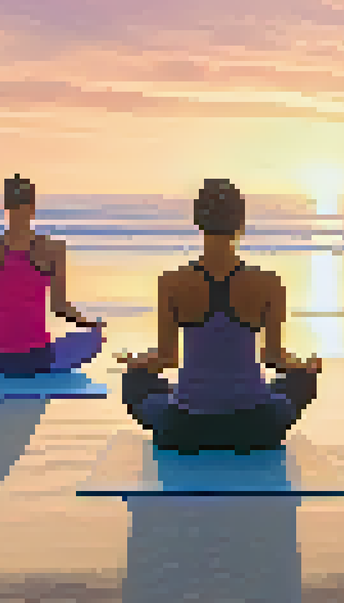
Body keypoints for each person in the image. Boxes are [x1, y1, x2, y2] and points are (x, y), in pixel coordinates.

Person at [120, 179, 322, 454]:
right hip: (256, 428)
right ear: (241, 221)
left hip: (184, 429)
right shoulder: (268, 282)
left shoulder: (171, 282)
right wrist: (305, 367)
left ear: (197, 219)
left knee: (134, 381)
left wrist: (137, 363)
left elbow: (167, 357)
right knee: (302, 380)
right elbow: (274, 357)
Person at [0, 175, 104, 376]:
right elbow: (59, 307)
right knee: (87, 339)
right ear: (33, 207)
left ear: (6, 207)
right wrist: (91, 325)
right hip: (38, 358)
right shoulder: (53, 250)